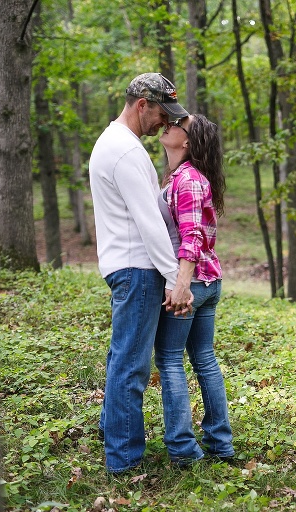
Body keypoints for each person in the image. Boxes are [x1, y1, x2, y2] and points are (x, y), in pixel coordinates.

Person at [89, 73, 192, 473]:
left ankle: (114, 438)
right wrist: (174, 278)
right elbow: (150, 223)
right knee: (132, 367)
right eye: (161, 114)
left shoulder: (116, 143)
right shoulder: (124, 151)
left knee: (122, 359)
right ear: (141, 105)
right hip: (137, 268)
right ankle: (125, 460)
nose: (164, 123)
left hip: (128, 266)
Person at [154, 114, 236, 465]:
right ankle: (220, 444)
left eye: (176, 125)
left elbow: (192, 237)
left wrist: (180, 285)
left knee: (171, 360)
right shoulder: (187, 177)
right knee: (204, 359)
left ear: (186, 142)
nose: (166, 125)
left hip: (192, 283)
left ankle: (184, 451)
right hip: (209, 281)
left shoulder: (186, 179)